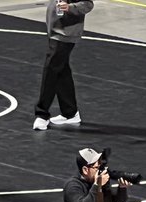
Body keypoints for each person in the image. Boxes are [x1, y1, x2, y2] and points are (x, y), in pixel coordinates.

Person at [33, 0, 94, 130]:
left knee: (51, 68)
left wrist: (69, 7)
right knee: (61, 70)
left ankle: (42, 113)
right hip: (55, 27)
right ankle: (70, 112)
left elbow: (87, 4)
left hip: (66, 32)